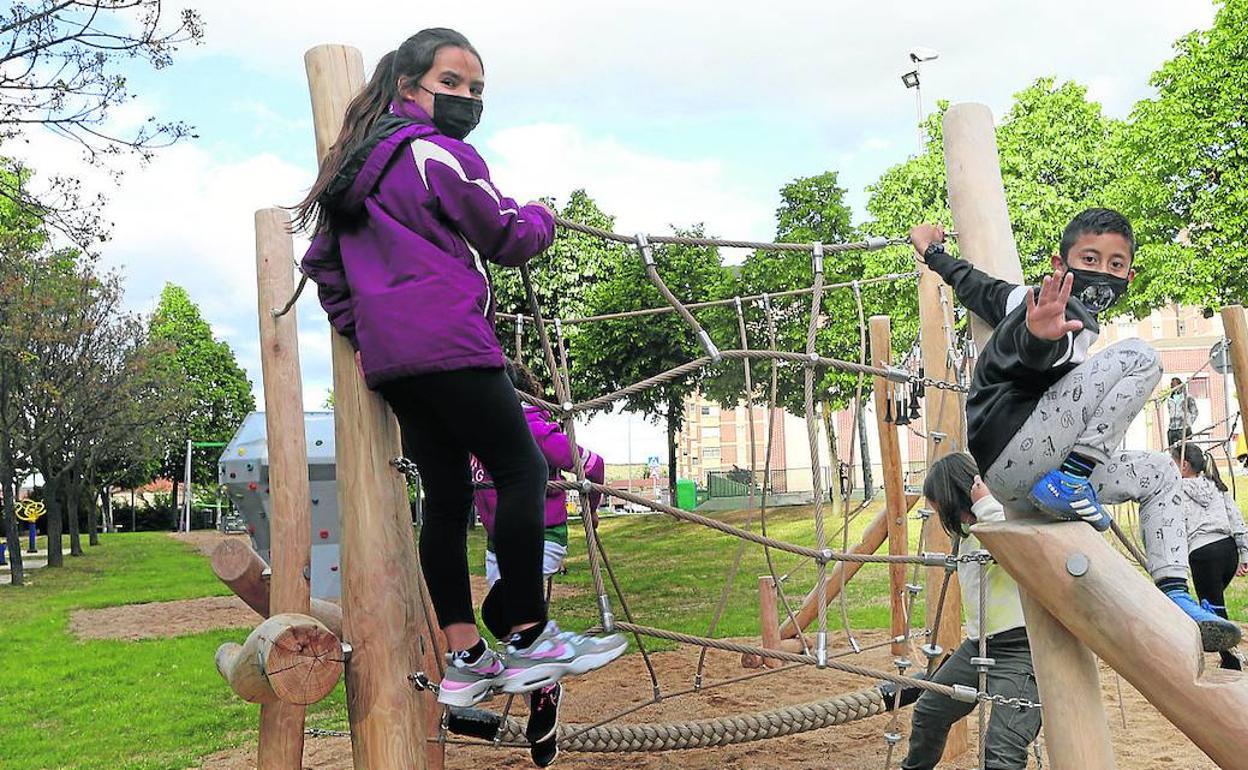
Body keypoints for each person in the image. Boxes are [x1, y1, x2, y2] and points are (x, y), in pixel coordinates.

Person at [295, 28, 624, 714]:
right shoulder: (432, 152)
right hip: (448, 337)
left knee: (445, 498)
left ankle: (465, 659)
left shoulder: (350, 173)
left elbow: (323, 267)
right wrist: (543, 217)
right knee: (523, 469)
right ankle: (531, 640)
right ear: (407, 87)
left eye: (476, 89)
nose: (468, 100)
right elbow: (504, 233)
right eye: (452, 84)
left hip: (394, 361)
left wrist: (369, 334)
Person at [909, 208, 1241, 653]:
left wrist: (931, 251)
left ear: (1130, 273)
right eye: (1090, 260)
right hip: (1013, 446)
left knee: (1162, 472)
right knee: (1141, 357)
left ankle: (1176, 594)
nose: (1103, 274)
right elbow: (1038, 353)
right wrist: (1038, 337)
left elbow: (971, 283)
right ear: (1058, 265)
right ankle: (1072, 477)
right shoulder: (1054, 312)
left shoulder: (1014, 299)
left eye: (1116, 265)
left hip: (1031, 477)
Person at [472, 359, 606, 766]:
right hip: (498, 544)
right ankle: (543, 700)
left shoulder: (529, 425)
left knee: (496, 610)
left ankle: (551, 659)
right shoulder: (473, 431)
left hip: (539, 537)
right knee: (512, 626)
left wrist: (592, 507)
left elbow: (593, 464)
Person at [902, 453, 1040, 770]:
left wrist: (984, 503)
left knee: (1002, 749)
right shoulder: (969, 530)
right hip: (977, 646)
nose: (951, 520)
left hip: (1022, 647)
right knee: (929, 710)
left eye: (947, 510)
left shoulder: (1004, 513)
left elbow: (1019, 546)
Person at [1172, 443, 1248, 670]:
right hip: (1228, 551)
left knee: (1212, 609)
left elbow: (1177, 527)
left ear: (1183, 466)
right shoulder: (1217, 485)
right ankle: (1230, 655)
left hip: (1204, 554)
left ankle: (1231, 660)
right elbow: (1235, 518)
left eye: (1172, 463)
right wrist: (1244, 553)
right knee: (1214, 603)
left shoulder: (1175, 489)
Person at [1167, 377, 1200, 448]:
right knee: (1173, 450)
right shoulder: (1170, 399)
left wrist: (1188, 422)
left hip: (1183, 428)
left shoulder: (1187, 397)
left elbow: (1195, 412)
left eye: (1175, 385)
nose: (1174, 387)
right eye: (1172, 385)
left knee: (1186, 449)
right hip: (1172, 429)